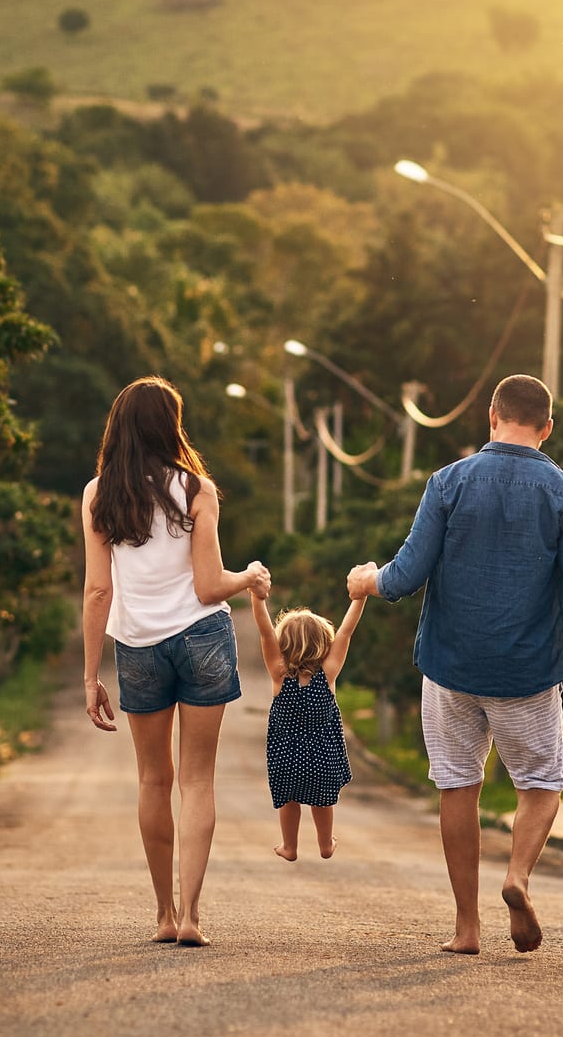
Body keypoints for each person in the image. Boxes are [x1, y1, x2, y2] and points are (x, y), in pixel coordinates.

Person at [347, 371, 563, 958]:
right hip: (525, 675)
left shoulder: (448, 482)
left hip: (450, 668)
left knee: (458, 785)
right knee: (542, 783)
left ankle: (466, 928)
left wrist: (365, 580)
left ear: (491, 415)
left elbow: (403, 577)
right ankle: (519, 877)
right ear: (547, 428)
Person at [82, 376, 269, 947]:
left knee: (152, 780)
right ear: (172, 425)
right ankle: (192, 915)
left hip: (137, 647)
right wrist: (251, 577)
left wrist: (90, 676)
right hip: (202, 640)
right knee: (197, 781)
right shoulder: (196, 488)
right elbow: (211, 586)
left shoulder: (99, 494)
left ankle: (163, 914)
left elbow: (96, 591)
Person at [249, 586, 364, 862]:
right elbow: (346, 632)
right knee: (322, 801)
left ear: (283, 645)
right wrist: (360, 597)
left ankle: (290, 846)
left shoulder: (280, 675)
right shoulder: (327, 675)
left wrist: (256, 597)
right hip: (322, 760)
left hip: (286, 760)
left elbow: (265, 632)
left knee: (289, 801)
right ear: (324, 643)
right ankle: (325, 843)